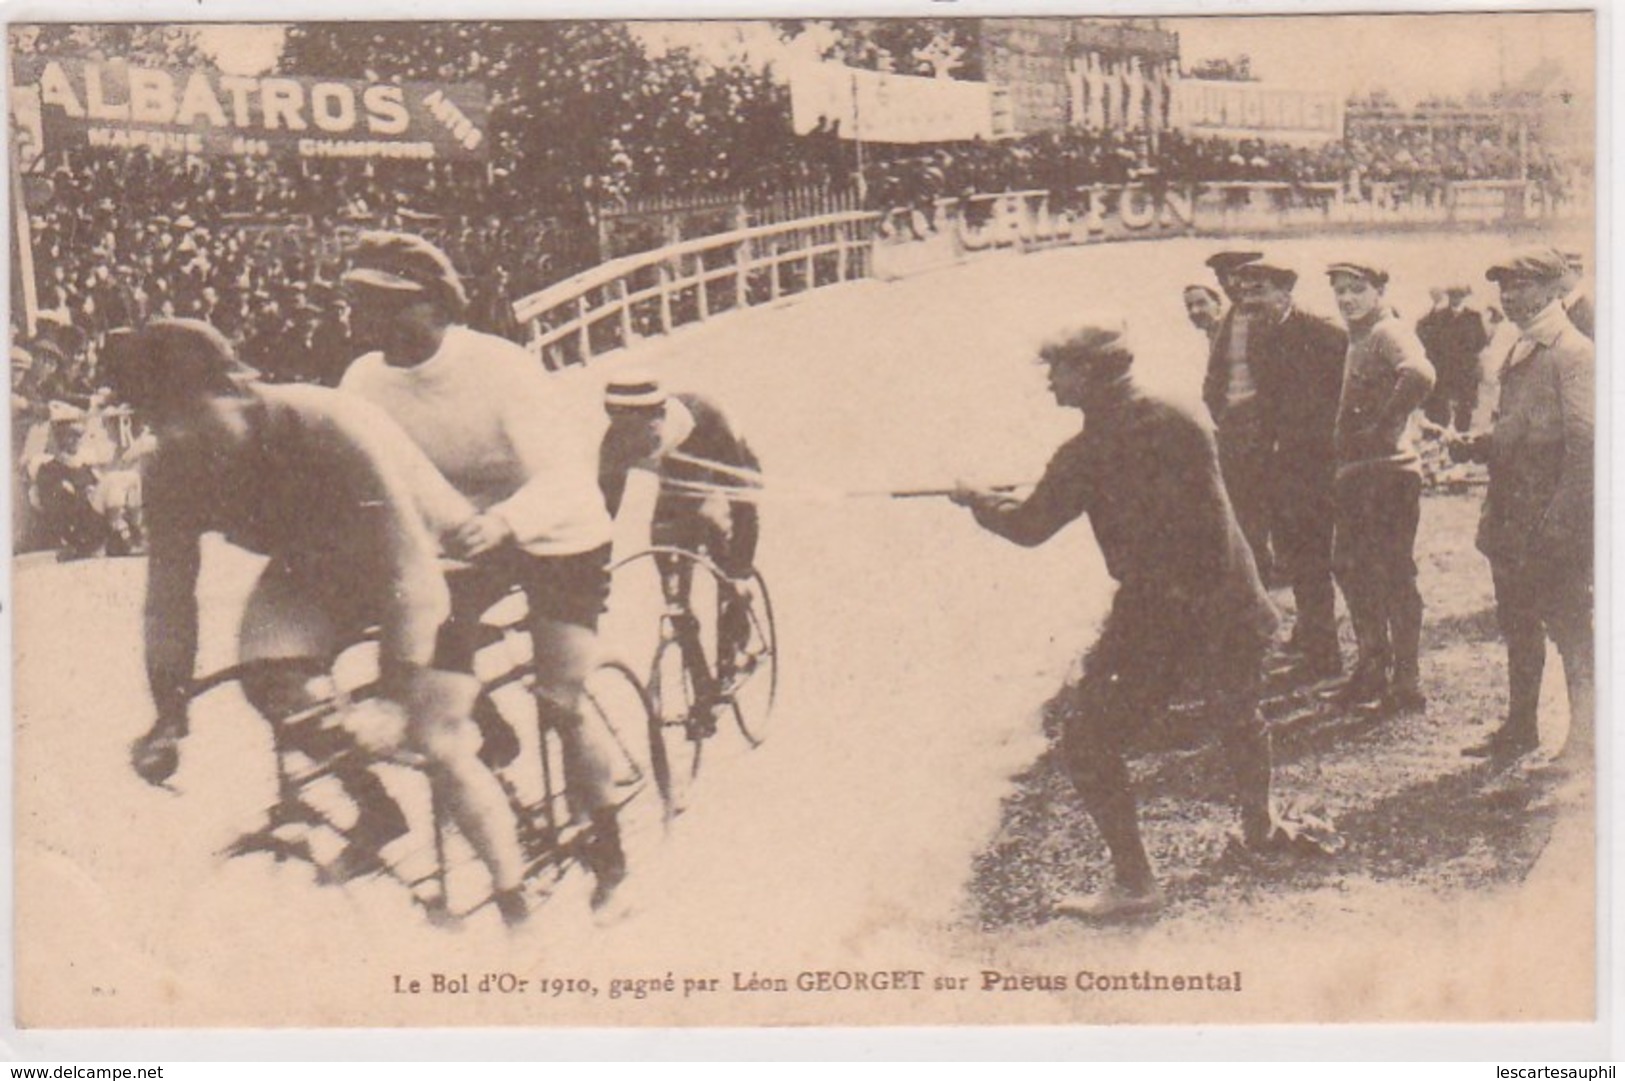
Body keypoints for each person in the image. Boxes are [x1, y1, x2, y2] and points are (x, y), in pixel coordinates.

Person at [110, 320, 532, 924]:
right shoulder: (171, 467)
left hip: (434, 557)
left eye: (187, 413)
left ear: (236, 389)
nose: (175, 435)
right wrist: (168, 711)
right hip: (318, 568)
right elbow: (168, 599)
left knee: (435, 740)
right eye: (157, 421)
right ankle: (378, 808)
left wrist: (394, 694)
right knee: (274, 682)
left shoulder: (325, 425)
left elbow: (410, 570)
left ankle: (514, 903)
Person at [952, 320, 1285, 921]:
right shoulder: (1177, 417)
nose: (1051, 383)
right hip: (1231, 598)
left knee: (1087, 742)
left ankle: (1135, 884)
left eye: (1059, 370)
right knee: (1239, 712)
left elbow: (1029, 526)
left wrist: (977, 501)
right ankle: (1261, 827)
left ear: (1090, 374)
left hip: (1164, 612)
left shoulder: (1087, 451)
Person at [337, 231, 628, 909]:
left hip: (555, 530)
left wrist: (504, 522)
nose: (364, 321)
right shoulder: (362, 382)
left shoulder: (501, 368)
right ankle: (487, 740)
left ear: (433, 305)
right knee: (431, 706)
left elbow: (562, 474)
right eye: (355, 305)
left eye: (381, 304)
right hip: (460, 540)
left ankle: (608, 846)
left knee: (561, 700)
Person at [1455, 248, 1593, 775]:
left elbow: (1585, 445)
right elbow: (1523, 429)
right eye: (1504, 287)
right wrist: (1477, 444)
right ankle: (1520, 727)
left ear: (1554, 287)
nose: (1509, 296)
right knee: (1517, 624)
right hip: (1513, 520)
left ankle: (1586, 739)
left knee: (1570, 628)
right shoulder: (1521, 345)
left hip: (1549, 522)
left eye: (1522, 286)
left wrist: (1560, 523)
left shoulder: (1573, 352)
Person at [598, 370, 762, 709]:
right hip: (676, 487)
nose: (638, 444)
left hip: (727, 473)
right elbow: (602, 514)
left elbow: (743, 501)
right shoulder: (615, 444)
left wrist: (741, 569)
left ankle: (733, 637)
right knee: (674, 593)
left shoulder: (708, 419)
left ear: (661, 414)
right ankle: (702, 685)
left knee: (723, 544)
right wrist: (594, 572)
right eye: (626, 434)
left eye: (647, 433)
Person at [1231, 256, 1348, 683]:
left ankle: (1327, 654)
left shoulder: (1324, 333)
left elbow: (1344, 396)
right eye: (1245, 291)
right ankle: (1317, 643)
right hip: (1281, 469)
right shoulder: (1260, 335)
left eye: (1258, 290)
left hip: (1319, 468)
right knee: (1298, 559)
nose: (1249, 299)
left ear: (1284, 292)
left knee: (1318, 560)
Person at [1326, 261, 1435, 714]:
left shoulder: (1387, 331)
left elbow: (1421, 375)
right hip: (1360, 472)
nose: (1347, 298)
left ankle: (1405, 679)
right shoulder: (1359, 337)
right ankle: (1373, 664)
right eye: (1340, 291)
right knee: (1350, 566)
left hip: (1388, 473)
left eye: (1357, 289)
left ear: (1379, 290)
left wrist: (1385, 424)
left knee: (1392, 572)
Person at [1200, 250, 1275, 584]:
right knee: (1241, 502)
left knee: (1260, 501)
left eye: (1235, 277)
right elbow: (1216, 376)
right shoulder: (1231, 318)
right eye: (1223, 279)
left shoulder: (1266, 316)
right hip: (1233, 425)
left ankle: (1264, 569)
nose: (1230, 285)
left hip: (1262, 424)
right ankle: (1255, 570)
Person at [1419, 286, 1489, 433]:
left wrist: (1470, 358)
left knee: (1465, 409)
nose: (1455, 299)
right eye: (1452, 296)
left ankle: (1463, 440)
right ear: (1449, 297)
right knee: (1439, 409)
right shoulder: (1441, 316)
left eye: (1459, 296)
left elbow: (1481, 341)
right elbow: (1428, 335)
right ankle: (1439, 438)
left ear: (1464, 297)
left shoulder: (1473, 317)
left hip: (1465, 371)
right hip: (1445, 369)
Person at [1558, 250, 1594, 341]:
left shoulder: (1585, 308)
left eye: (1564, 273)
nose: (1558, 279)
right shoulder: (1558, 303)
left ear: (1578, 274)